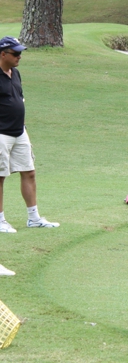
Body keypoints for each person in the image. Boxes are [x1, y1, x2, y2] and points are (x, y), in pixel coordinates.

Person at [0, 36, 60, 233]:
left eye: (20, 53)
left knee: (29, 172)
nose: (19, 57)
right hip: (1, 134)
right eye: (15, 53)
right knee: (0, 177)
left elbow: (19, 98)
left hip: (19, 132)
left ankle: (33, 218)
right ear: (2, 54)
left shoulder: (15, 73)